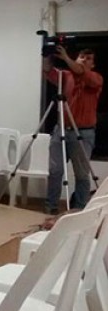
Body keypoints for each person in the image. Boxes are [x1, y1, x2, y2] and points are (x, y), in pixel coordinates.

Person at [43, 46, 103, 214]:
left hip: (83, 133)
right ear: (76, 58)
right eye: (82, 56)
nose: (84, 59)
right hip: (61, 129)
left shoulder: (96, 78)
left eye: (88, 58)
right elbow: (47, 71)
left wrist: (66, 57)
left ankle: (79, 209)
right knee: (55, 171)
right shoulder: (66, 75)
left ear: (93, 64)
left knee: (82, 174)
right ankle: (51, 207)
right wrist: (47, 55)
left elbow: (81, 72)